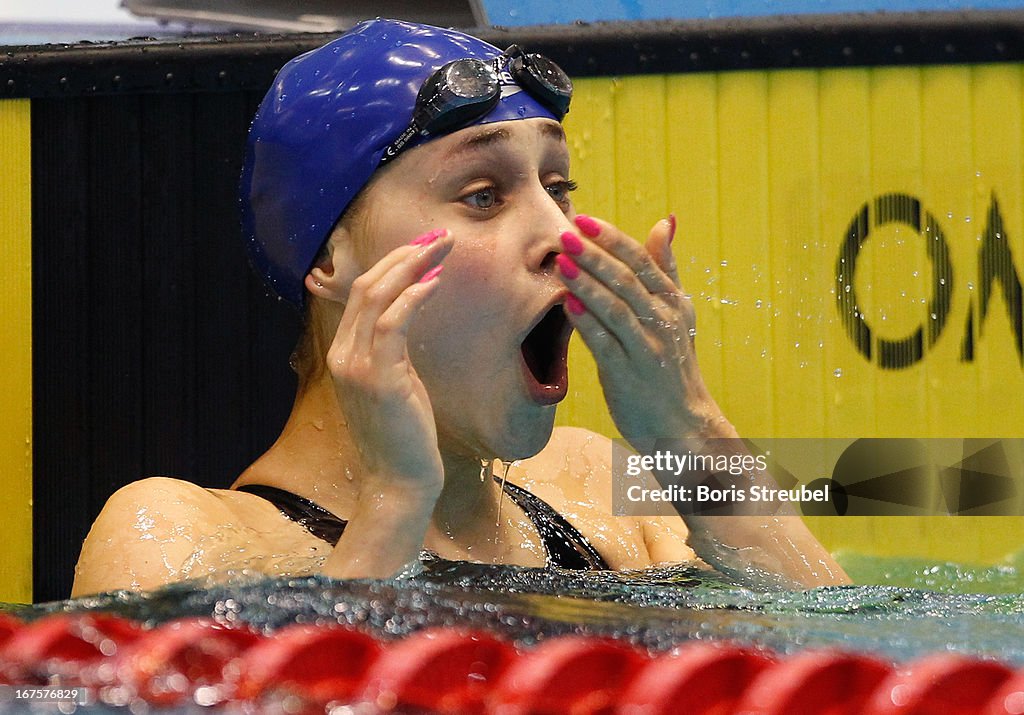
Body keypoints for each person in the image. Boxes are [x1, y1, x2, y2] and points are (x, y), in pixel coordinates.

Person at [71, 19, 849, 597]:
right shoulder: (178, 538)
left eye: (558, 185)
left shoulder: (591, 484)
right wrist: (393, 507)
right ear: (330, 260)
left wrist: (692, 428)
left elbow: (846, 669)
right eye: (484, 195)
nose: (559, 232)